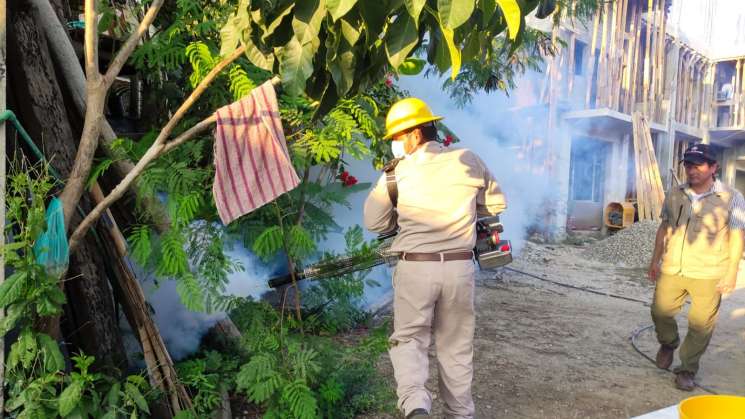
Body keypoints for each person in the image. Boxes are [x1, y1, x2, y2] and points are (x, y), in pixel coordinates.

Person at [363, 98, 506, 418]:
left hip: (415, 268)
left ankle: (415, 406)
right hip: (458, 268)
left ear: (414, 135)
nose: (395, 146)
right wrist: (467, 211)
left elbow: (374, 222)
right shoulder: (468, 158)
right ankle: (459, 414)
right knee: (455, 346)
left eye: (397, 138)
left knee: (410, 340)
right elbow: (495, 204)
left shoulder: (394, 174)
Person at [648, 143, 745, 391]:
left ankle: (687, 369)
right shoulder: (674, 194)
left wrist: (732, 271)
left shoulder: (732, 198)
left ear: (714, 167)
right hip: (673, 267)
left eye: (698, 165)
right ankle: (668, 343)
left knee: (701, 324)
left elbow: (737, 235)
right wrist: (655, 259)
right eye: (688, 165)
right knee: (660, 312)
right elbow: (664, 227)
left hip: (708, 272)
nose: (692, 170)